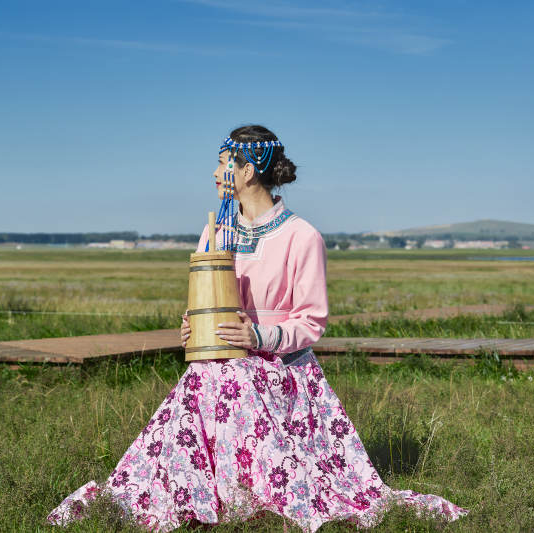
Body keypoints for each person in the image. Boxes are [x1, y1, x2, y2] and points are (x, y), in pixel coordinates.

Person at [47, 125, 466, 531]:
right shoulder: (216, 231)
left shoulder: (302, 236)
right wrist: (192, 327)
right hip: (220, 363)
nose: (214, 174)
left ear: (247, 172)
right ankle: (193, 493)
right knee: (210, 374)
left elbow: (312, 321)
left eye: (222, 163)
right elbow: (203, 300)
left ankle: (244, 496)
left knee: (229, 377)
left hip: (282, 370)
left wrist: (258, 337)